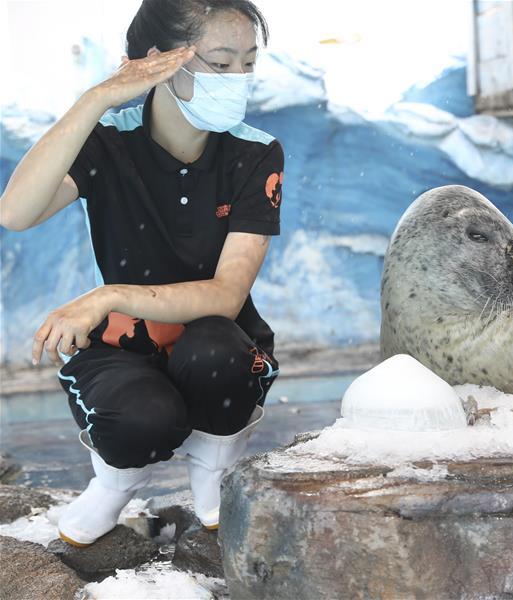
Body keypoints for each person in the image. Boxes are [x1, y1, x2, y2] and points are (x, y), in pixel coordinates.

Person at [0, 0, 284, 547]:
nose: (239, 80)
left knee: (219, 352)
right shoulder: (110, 143)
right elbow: (15, 213)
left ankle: (214, 462)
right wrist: (96, 99)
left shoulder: (256, 154)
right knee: (141, 417)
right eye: (220, 64)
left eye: (248, 63)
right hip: (124, 344)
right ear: (159, 62)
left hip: (217, 339)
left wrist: (109, 294)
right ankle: (116, 480)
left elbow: (225, 295)